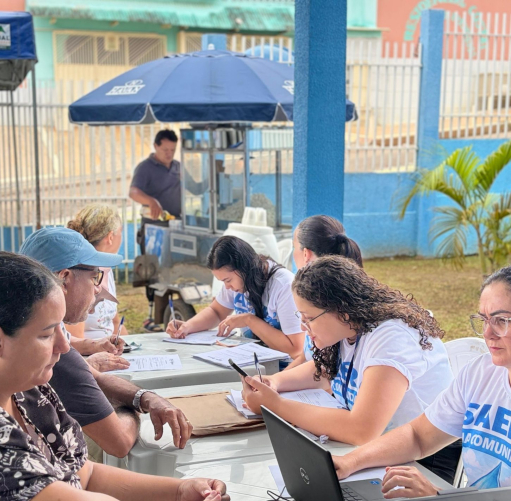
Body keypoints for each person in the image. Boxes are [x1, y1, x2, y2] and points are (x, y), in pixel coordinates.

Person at [0, 252, 229, 501]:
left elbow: (82, 476)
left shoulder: (22, 388)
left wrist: (179, 493)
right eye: (47, 333)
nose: (65, 344)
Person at [332, 264, 511, 501]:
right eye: (483, 319)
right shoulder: (482, 373)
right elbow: (419, 436)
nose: (488, 333)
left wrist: (438, 497)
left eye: (502, 321)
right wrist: (351, 462)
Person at [240, 256, 457, 480]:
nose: (304, 328)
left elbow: (361, 430)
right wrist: (276, 382)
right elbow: (323, 370)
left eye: (309, 318)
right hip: (372, 454)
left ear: (342, 311)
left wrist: (275, 405)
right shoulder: (348, 329)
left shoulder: (391, 337)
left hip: (423, 464)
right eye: (301, 318)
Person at [20, 227, 194, 458]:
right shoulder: (46, 343)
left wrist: (146, 398)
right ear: (64, 278)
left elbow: (92, 376)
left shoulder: (39, 323)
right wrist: (129, 409)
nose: (99, 287)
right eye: (94, 276)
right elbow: (119, 442)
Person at [167, 235, 304, 359]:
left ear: (244, 268)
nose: (227, 287)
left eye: (228, 280)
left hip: (284, 370)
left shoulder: (284, 286)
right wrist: (187, 326)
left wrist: (249, 320)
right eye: (223, 282)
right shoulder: (239, 281)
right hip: (251, 362)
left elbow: (295, 349)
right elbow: (216, 312)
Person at [129, 129, 204, 331]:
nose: (169, 154)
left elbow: (195, 188)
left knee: (175, 270)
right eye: (165, 150)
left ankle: (172, 313)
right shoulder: (145, 168)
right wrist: (151, 201)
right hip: (153, 228)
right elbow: (133, 191)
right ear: (155, 146)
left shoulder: (178, 167)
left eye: (172, 149)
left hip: (175, 226)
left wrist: (215, 175)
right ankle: (151, 316)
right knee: (153, 273)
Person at [288, 214, 364, 370]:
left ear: (305, 254)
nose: (303, 326)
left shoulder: (333, 303)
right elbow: (308, 358)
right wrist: (273, 382)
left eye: (294, 247)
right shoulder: (311, 296)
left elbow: (326, 374)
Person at [66, 204, 128, 353]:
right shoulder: (80, 273)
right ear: (111, 237)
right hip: (88, 360)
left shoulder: (106, 267)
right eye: (121, 233)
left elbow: (115, 322)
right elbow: (73, 345)